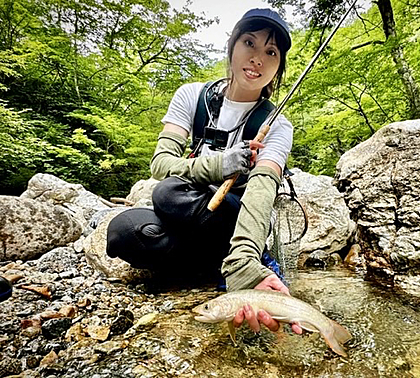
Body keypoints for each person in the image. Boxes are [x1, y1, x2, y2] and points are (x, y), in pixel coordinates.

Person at [106, 8, 301, 335]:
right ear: (232, 45)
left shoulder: (278, 126)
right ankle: (212, 268)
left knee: (168, 195)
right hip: (192, 208)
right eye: (249, 43)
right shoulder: (191, 96)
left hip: (236, 220)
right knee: (128, 228)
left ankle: (239, 264)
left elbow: (262, 190)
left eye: (271, 52)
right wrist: (222, 164)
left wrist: (244, 255)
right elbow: (162, 164)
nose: (257, 59)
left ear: (278, 65)